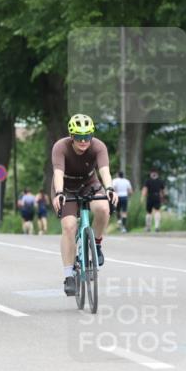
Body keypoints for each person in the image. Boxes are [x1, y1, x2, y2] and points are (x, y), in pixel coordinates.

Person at [51, 113, 118, 296]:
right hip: (66, 188)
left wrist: (110, 188)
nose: (83, 141)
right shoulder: (60, 147)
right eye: (79, 137)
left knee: (104, 207)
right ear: (72, 136)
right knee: (69, 226)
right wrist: (58, 193)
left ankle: (96, 244)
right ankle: (69, 276)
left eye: (87, 136)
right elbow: (58, 173)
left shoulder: (98, 147)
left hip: (90, 184)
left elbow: (104, 170)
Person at [142, 168, 166, 232]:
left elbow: (145, 190)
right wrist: (163, 198)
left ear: (151, 174)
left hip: (150, 197)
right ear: (157, 174)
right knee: (157, 211)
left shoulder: (148, 181)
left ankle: (148, 227)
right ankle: (157, 226)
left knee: (148, 212)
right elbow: (163, 191)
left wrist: (143, 197)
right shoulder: (160, 181)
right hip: (157, 197)